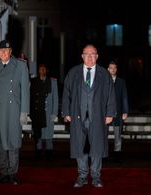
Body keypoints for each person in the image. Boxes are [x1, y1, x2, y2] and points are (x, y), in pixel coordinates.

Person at [61, 44, 116, 188]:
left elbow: (111, 95)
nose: (90, 57)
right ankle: (82, 176)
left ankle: (96, 177)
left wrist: (110, 113)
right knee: (81, 147)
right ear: (82, 56)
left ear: (97, 56)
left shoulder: (104, 74)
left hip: (97, 117)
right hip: (78, 117)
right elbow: (66, 94)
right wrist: (66, 112)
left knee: (96, 148)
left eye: (93, 54)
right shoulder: (73, 73)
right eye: (87, 54)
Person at [0, 40, 30, 185]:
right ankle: (4, 171)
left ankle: (13, 173)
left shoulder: (20, 65)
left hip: (13, 110)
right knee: (0, 143)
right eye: (1, 50)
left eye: (7, 50)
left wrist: (24, 112)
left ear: (11, 51)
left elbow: (25, 90)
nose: (4, 53)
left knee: (13, 142)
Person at [30, 63, 58, 160]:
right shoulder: (34, 82)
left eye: (44, 69)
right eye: (40, 69)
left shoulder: (52, 82)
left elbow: (55, 98)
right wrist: (31, 112)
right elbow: (31, 98)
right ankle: (38, 153)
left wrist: (54, 113)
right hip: (38, 112)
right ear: (38, 70)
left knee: (49, 135)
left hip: (48, 113)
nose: (42, 71)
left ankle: (49, 154)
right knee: (38, 135)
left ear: (46, 70)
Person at [107, 61, 128, 162]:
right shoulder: (103, 81)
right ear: (108, 69)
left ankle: (117, 154)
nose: (113, 70)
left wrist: (125, 111)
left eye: (115, 68)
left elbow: (124, 97)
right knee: (103, 134)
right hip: (106, 112)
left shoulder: (121, 81)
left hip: (118, 112)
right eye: (111, 68)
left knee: (117, 135)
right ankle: (104, 154)